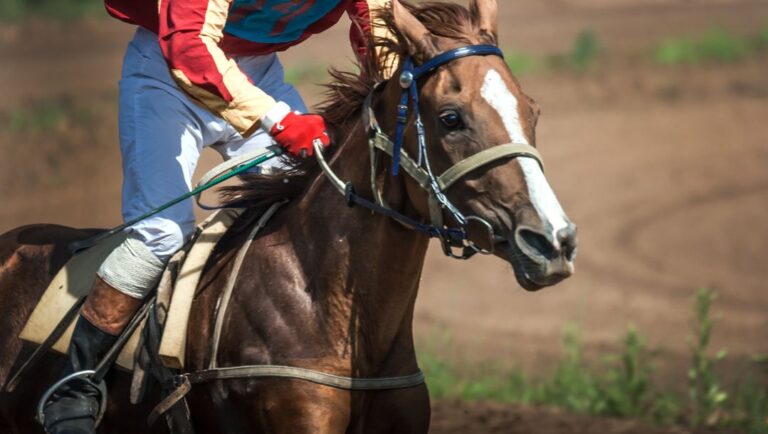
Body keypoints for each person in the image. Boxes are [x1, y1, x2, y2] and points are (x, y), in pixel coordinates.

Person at [42, 1, 390, 433]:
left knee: (311, 210)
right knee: (161, 235)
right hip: (168, 74)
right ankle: (74, 383)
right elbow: (188, 45)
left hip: (260, 75)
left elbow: (382, 32)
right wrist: (280, 121)